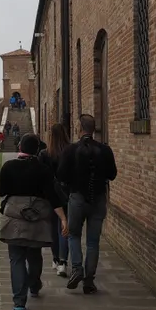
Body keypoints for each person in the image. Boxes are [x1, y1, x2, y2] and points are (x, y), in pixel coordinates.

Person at [0, 133, 67, 310]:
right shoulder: (43, 169)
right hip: (36, 219)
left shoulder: (9, 166)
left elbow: (0, 191)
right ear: (37, 150)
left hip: (14, 220)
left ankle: (19, 301)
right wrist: (63, 218)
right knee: (34, 255)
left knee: (16, 259)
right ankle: (34, 286)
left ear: (20, 147)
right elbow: (53, 196)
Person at [57, 113, 117, 294]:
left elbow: (61, 176)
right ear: (93, 129)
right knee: (93, 241)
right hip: (98, 199)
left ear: (79, 128)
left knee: (74, 235)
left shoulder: (70, 150)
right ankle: (89, 280)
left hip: (77, 198)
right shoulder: (105, 150)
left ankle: (77, 269)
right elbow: (112, 174)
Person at [39, 123, 71, 277]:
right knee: (64, 228)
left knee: (53, 228)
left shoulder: (44, 154)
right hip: (67, 195)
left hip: (50, 197)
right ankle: (63, 263)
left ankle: (56, 259)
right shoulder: (70, 151)